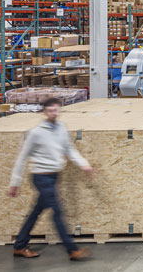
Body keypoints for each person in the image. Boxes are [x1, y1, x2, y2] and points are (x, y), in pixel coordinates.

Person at [8, 97, 93, 260]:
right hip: (41, 178)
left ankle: (19, 246)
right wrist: (15, 183)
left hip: (54, 177)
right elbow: (22, 157)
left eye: (56, 110)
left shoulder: (61, 128)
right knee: (57, 211)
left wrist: (84, 164)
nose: (53, 113)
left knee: (36, 212)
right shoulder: (36, 133)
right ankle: (72, 250)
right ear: (45, 112)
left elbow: (69, 149)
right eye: (50, 110)